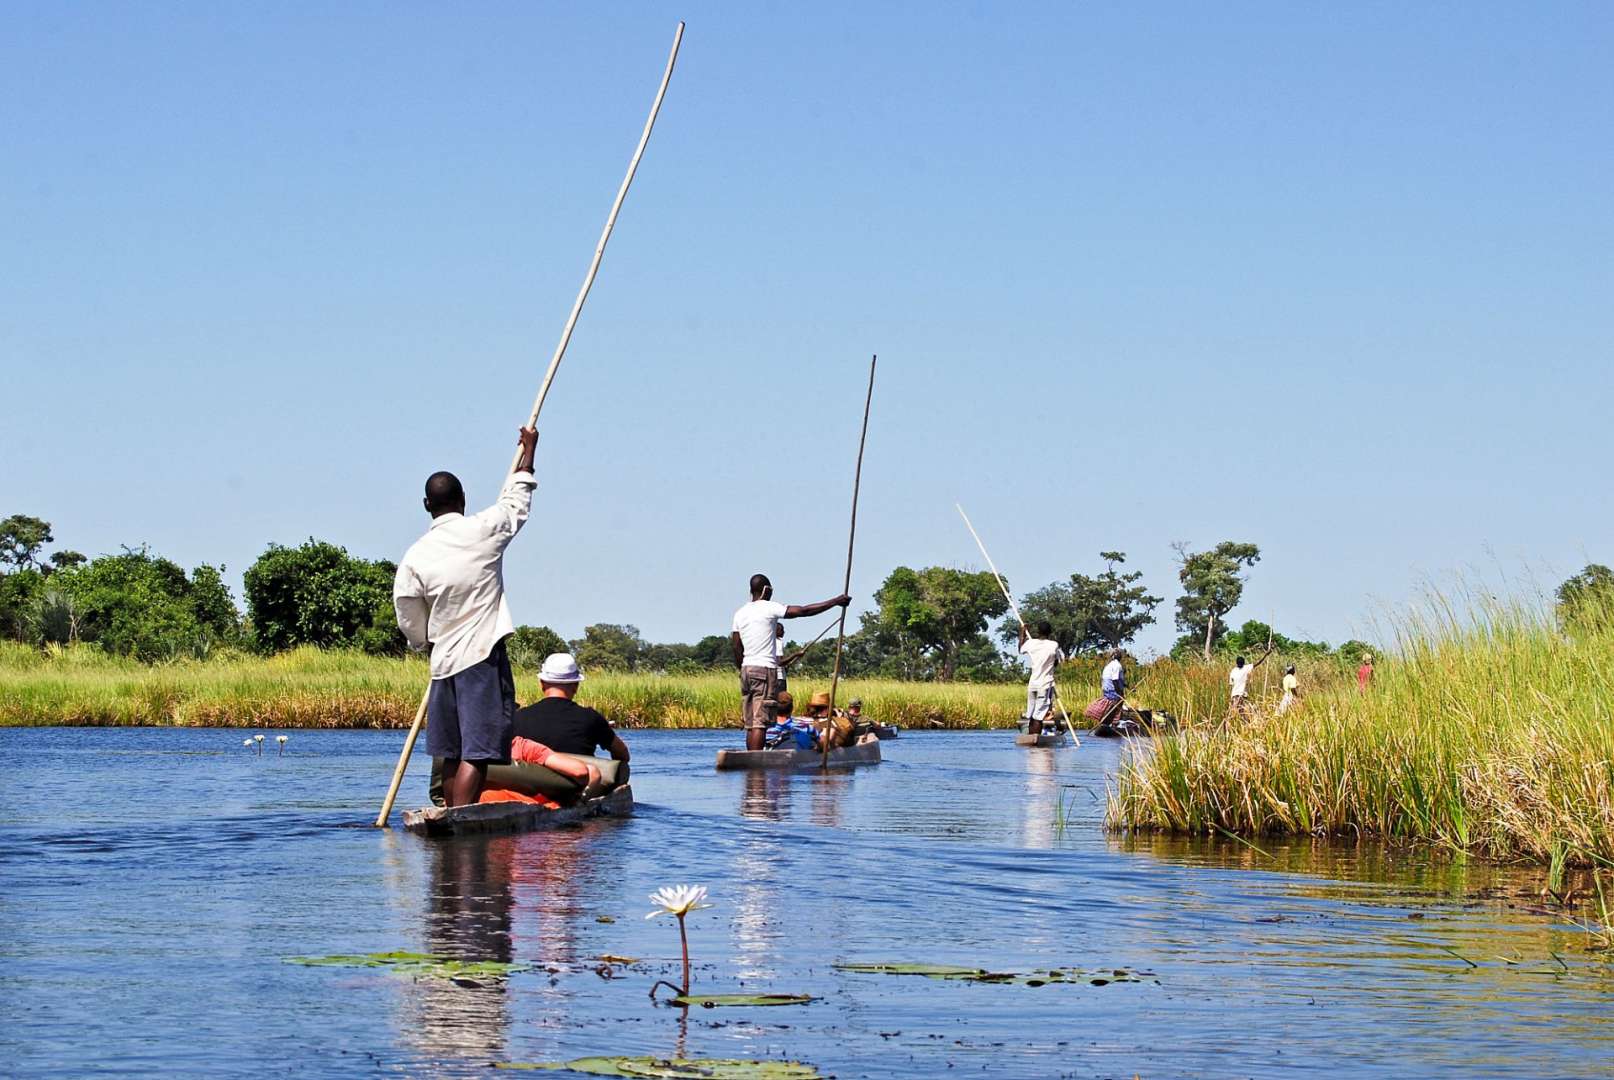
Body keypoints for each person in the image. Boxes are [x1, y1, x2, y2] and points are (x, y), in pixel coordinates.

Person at [394, 426, 537, 807]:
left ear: (427, 505)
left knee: (451, 752)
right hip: (480, 657)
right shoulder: (482, 530)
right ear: (463, 499)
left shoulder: (415, 555)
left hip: (443, 663)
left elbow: (408, 611)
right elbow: (515, 503)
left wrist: (423, 642)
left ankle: (448, 814)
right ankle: (459, 816)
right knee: (478, 751)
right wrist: (529, 453)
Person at [731, 574, 850, 751]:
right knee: (760, 722)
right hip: (764, 669)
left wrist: (742, 667)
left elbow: (736, 646)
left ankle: (751, 763)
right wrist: (835, 601)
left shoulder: (740, 613)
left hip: (746, 670)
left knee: (751, 722)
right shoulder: (769, 607)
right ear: (766, 590)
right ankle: (756, 764)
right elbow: (803, 611)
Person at [511, 652, 630, 789]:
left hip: (529, 787)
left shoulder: (518, 717)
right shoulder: (591, 718)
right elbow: (622, 754)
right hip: (574, 789)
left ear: (542, 684)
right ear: (575, 686)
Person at [1017, 621, 1065, 736]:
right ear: (1049, 632)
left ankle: (1030, 740)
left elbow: (1020, 649)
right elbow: (1057, 662)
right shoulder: (1053, 645)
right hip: (1045, 684)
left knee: (1032, 714)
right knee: (1038, 716)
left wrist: (1022, 632)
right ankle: (1036, 740)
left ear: (1038, 631)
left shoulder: (1031, 643)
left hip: (1032, 684)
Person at [1228, 645, 1274, 716]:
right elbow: (1258, 662)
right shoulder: (1246, 668)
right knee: (1240, 712)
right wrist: (1266, 655)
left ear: (1237, 663)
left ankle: (1240, 724)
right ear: (1243, 663)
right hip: (1241, 694)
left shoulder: (1233, 671)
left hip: (1234, 694)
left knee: (1239, 712)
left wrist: (1231, 696)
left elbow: (1231, 684)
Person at [1086, 648, 1127, 726]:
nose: (1120, 656)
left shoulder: (1109, 665)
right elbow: (1115, 680)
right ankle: (1110, 723)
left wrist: (1126, 686)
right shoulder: (1117, 665)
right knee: (1116, 705)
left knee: (1114, 706)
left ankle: (1110, 722)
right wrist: (1119, 693)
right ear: (1115, 656)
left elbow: (1117, 680)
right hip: (1112, 689)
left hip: (1107, 688)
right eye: (1119, 654)